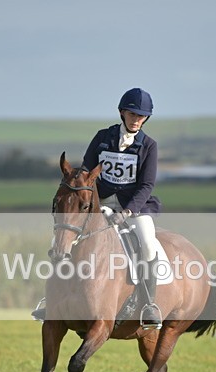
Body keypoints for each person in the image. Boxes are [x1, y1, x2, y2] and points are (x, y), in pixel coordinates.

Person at [81, 88, 163, 329]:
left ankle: (149, 303)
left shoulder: (149, 146)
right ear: (122, 113)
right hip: (101, 203)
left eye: (142, 116)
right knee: (69, 235)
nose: (137, 119)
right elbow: (87, 171)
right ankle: (54, 298)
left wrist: (127, 212)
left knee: (147, 243)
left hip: (133, 207)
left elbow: (147, 185)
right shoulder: (102, 137)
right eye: (133, 114)